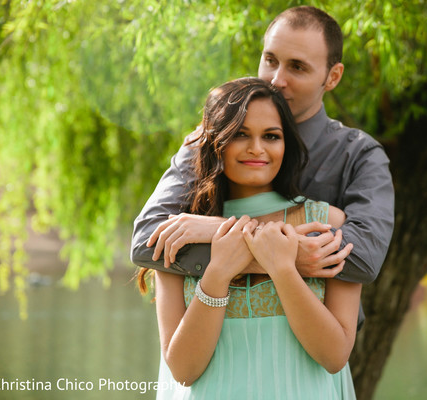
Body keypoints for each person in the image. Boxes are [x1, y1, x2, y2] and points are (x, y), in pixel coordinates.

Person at [131, 6, 393, 321]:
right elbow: (147, 242)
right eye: (270, 60)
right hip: (210, 342)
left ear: (332, 77)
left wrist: (218, 231)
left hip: (317, 351)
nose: (277, 79)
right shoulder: (211, 140)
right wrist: (277, 259)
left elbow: (362, 257)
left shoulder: (359, 156)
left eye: (297, 67)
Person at [142, 77, 361, 399]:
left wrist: (283, 270)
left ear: (286, 146)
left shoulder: (325, 223)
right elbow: (183, 370)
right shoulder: (182, 230)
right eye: (240, 134)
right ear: (216, 141)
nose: (257, 148)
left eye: (271, 136)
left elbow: (334, 356)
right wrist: (216, 275)